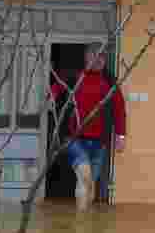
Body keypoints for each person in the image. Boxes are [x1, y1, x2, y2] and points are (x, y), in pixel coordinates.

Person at [49, 43, 127, 210]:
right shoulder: (75, 76)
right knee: (85, 175)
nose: (99, 60)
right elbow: (57, 87)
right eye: (95, 56)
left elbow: (119, 108)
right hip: (74, 138)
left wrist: (121, 136)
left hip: (99, 142)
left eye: (102, 57)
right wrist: (51, 98)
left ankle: (82, 218)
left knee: (88, 184)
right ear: (87, 57)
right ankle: (82, 217)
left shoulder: (110, 81)